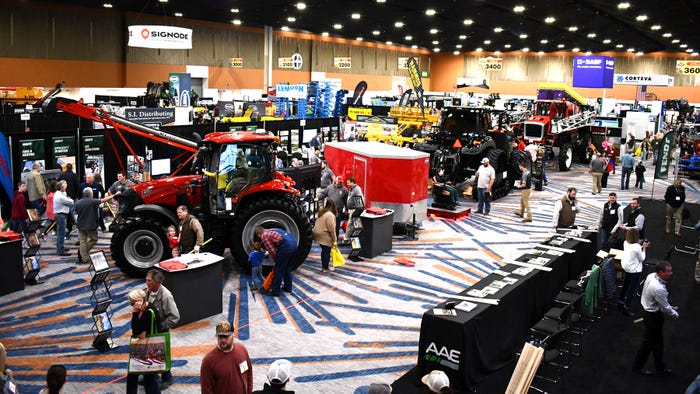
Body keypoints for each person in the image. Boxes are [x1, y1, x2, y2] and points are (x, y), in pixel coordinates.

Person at [632, 261, 678, 376]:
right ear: (660, 272)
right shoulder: (659, 288)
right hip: (653, 318)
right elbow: (665, 308)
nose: (671, 273)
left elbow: (658, 300)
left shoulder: (651, 276)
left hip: (650, 312)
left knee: (657, 343)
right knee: (648, 344)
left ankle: (659, 367)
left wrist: (665, 305)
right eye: (668, 271)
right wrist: (674, 313)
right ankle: (637, 367)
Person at [145, 269, 180, 390]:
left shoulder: (166, 295)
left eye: (149, 280)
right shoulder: (149, 291)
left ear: (156, 282)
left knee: (162, 355)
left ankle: (167, 378)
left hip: (160, 330)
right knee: (151, 354)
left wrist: (162, 326)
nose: (146, 283)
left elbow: (175, 317)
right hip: (150, 330)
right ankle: (151, 376)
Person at [200, 320, 253, 394]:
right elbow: (206, 390)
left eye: (226, 336)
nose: (223, 340)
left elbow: (248, 373)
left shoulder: (242, 350)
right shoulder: (208, 361)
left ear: (233, 335)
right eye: (220, 336)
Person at [125, 289, 161, 394]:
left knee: (149, 378)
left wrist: (141, 332)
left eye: (134, 302)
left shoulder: (150, 311)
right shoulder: (138, 310)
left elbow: (156, 328)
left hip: (150, 348)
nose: (132, 305)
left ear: (141, 299)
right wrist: (135, 314)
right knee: (133, 374)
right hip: (141, 346)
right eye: (131, 303)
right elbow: (136, 331)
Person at [74, 187, 117, 264]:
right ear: (90, 194)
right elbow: (104, 200)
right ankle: (83, 252)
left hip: (80, 224)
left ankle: (84, 257)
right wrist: (114, 195)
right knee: (93, 239)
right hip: (91, 225)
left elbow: (75, 212)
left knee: (82, 241)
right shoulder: (92, 201)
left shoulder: (78, 202)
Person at [256, 227, 298, 297]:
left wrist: (277, 261)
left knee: (278, 270)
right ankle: (287, 288)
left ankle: (275, 292)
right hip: (294, 244)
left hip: (286, 247)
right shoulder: (272, 229)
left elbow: (272, 251)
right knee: (288, 268)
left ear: (258, 235)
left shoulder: (264, 236)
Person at [618, 228, 648, 316]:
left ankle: (621, 302)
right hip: (634, 270)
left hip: (626, 267)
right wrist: (644, 249)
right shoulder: (637, 247)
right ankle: (626, 307)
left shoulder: (625, 243)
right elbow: (642, 258)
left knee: (626, 284)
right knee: (633, 289)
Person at [313, 199, 338, 273]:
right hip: (324, 235)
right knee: (326, 251)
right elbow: (331, 229)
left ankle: (324, 267)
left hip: (317, 233)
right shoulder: (330, 215)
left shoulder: (322, 212)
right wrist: (334, 239)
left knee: (324, 251)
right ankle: (325, 268)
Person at [54, 180, 74, 256]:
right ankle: (60, 250)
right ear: (61, 187)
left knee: (61, 232)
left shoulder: (61, 193)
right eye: (65, 185)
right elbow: (70, 202)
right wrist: (70, 199)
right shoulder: (60, 196)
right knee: (61, 233)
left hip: (61, 214)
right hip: (60, 215)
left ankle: (60, 246)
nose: (66, 186)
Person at [343, 177, 364, 242]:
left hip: (355, 210)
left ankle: (346, 239)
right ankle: (349, 239)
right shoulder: (351, 189)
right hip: (351, 210)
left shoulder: (357, 189)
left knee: (350, 225)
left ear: (353, 182)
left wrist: (358, 210)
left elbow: (360, 199)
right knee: (351, 226)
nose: (347, 184)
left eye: (348, 183)